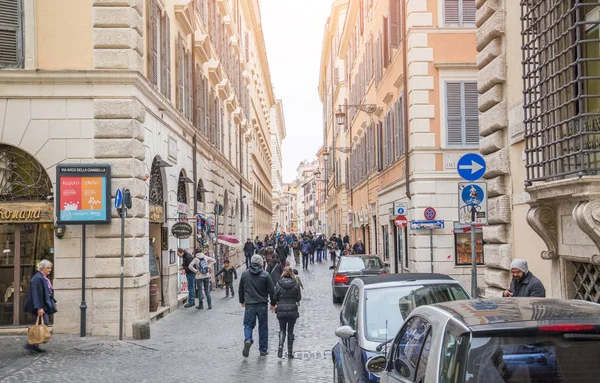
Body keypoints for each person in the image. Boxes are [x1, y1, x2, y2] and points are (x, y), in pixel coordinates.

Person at [239, 254, 275, 357]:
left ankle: (248, 339)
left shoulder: (245, 274)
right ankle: (263, 349)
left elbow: (241, 288)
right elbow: (272, 290)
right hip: (262, 304)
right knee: (263, 327)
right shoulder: (265, 275)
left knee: (248, 324)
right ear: (260, 263)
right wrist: (273, 303)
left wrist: (242, 301)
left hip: (250, 304)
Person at [23, 259, 57, 354]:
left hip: (41, 306)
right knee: (41, 324)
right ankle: (30, 345)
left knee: (40, 325)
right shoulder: (37, 278)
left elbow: (46, 293)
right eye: (48, 268)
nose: (50, 270)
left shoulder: (43, 278)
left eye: (50, 268)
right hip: (37, 306)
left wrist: (53, 301)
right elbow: (37, 294)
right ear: (42, 268)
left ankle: (34, 345)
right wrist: (39, 307)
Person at [273, 267, 302, 359]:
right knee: (290, 331)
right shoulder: (296, 284)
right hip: (292, 310)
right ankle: (290, 352)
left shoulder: (278, 284)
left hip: (281, 309)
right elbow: (298, 298)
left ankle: (280, 345)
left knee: (282, 329)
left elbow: (275, 297)